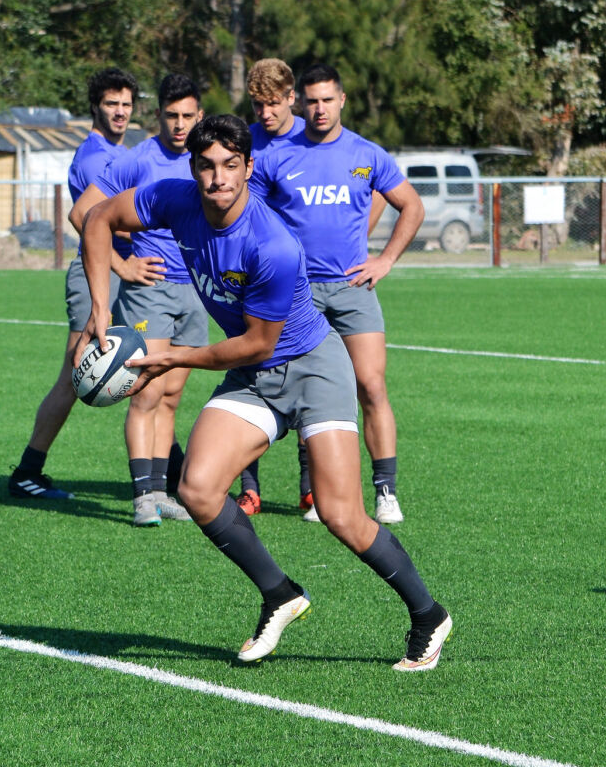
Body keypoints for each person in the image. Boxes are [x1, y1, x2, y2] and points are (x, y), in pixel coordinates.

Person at [77, 114, 452, 670]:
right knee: (198, 490)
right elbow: (98, 218)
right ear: (192, 168)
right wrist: (102, 307)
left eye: (231, 165)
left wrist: (174, 358)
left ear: (249, 169)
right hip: (257, 377)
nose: (218, 178)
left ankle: (427, 614)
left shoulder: (271, 244)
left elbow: (255, 344)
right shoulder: (173, 199)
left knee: (339, 514)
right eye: (206, 166)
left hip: (312, 367)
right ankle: (280, 593)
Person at [251, 63, 424, 526]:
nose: (319, 108)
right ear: (300, 103)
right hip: (297, 293)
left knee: (371, 385)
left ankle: (385, 492)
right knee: (304, 388)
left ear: (342, 100)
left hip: (352, 289)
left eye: (328, 99)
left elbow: (412, 205)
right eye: (312, 100)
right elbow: (250, 217)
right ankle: (318, 492)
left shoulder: (366, 154)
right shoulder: (277, 157)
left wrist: (385, 260)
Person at [7, 67, 166, 501]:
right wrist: (124, 267)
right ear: (95, 106)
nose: (119, 112)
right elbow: (84, 219)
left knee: (148, 369)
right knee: (75, 375)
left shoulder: (123, 149)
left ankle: (172, 472)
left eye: (126, 104)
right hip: (99, 272)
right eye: (112, 103)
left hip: (122, 271)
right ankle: (27, 470)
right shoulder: (97, 157)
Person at [70, 74, 206, 527]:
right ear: (159, 115)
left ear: (199, 116)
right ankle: (141, 497)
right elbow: (83, 214)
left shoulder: (207, 160)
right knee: (144, 394)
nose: (180, 124)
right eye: (171, 115)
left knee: (171, 395)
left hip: (196, 292)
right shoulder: (137, 159)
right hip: (150, 294)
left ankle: (162, 490)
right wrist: (122, 267)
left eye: (188, 115)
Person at [224, 58, 307, 517]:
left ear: (290, 96)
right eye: (258, 105)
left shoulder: (309, 141)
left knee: (308, 383)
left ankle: (309, 487)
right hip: (252, 279)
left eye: (273, 104)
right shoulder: (245, 144)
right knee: (250, 377)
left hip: (302, 279)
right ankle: (249, 487)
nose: (265, 113)